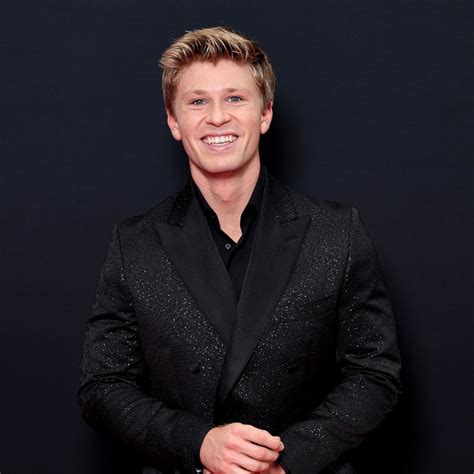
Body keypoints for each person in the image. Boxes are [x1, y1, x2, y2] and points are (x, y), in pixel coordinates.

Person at [78, 26, 402, 474]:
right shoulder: (135, 243)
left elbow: (375, 374)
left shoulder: (336, 231)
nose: (217, 118)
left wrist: (284, 460)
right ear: (174, 121)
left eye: (235, 98)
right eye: (197, 102)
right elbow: (103, 386)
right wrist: (199, 444)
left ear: (264, 113)